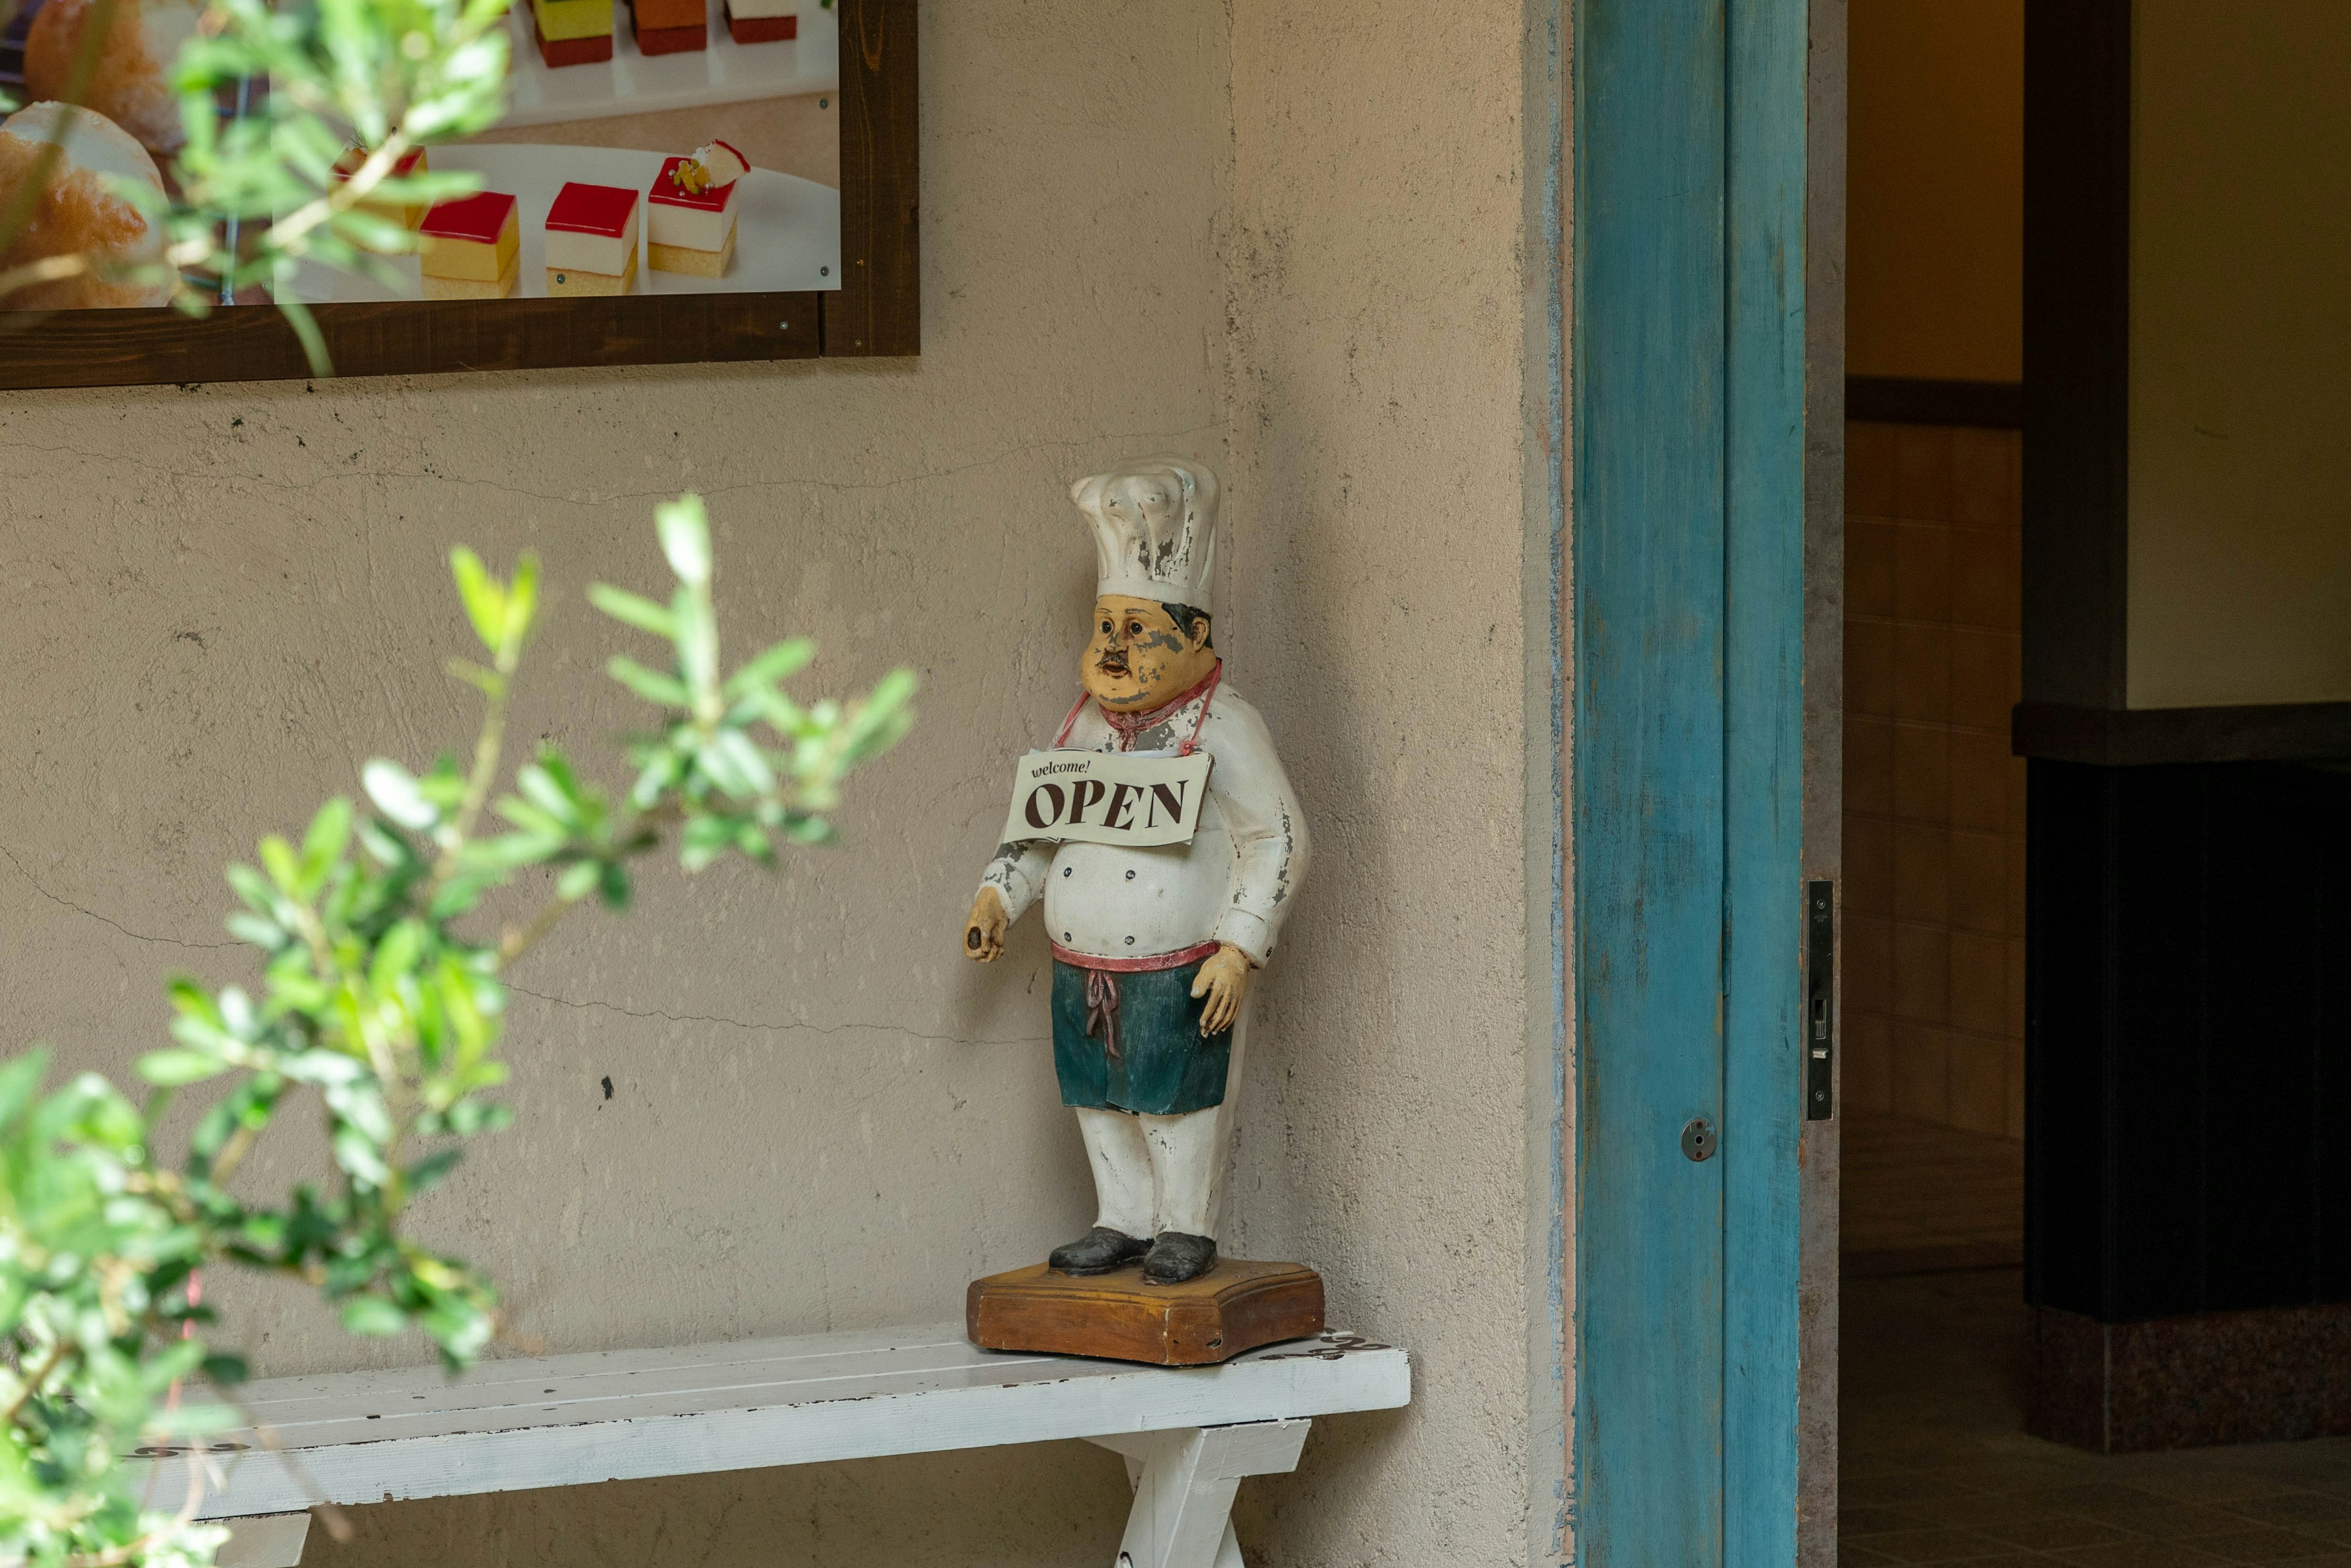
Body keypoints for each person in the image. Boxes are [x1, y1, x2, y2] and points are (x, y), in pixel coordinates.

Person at [963, 457, 1309, 1286]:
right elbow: (1041, 825)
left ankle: (1183, 1225)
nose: (1114, 649)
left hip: (1180, 966)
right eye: (1106, 628)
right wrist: (997, 893)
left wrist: (1239, 946)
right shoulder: (1085, 724)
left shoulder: (1225, 726)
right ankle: (1120, 1216)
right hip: (1084, 965)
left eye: (1138, 631)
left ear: (1194, 639)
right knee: (1099, 1101)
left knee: (1175, 1104)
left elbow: (1282, 838)